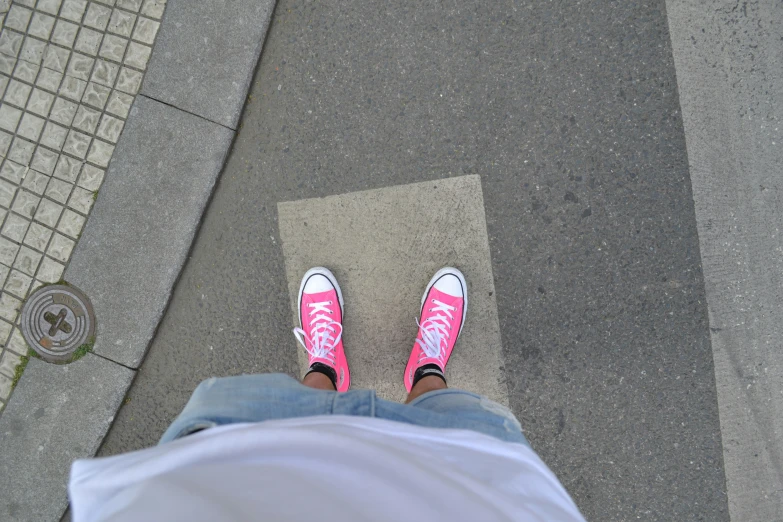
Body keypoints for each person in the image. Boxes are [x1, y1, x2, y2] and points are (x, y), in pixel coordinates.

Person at [69, 267, 585, 521]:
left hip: (228, 479)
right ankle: (426, 370)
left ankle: (325, 365)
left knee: (291, 415)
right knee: (452, 422)